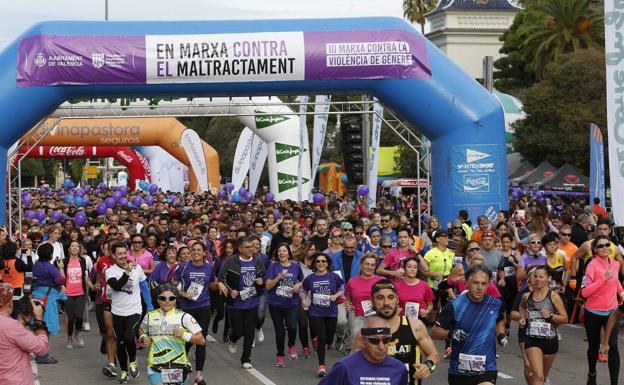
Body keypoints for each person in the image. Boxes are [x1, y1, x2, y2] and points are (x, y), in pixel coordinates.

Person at [352, 279, 440, 385]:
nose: (386, 303)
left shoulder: (415, 326)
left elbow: (434, 355)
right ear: (372, 301)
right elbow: (352, 366)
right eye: (380, 298)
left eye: (391, 297)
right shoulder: (364, 333)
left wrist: (428, 366)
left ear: (397, 299)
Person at [432, 264, 507, 385]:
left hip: (487, 368)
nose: (479, 287)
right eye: (475, 283)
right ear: (467, 283)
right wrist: (453, 333)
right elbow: (435, 332)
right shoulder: (455, 305)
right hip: (459, 370)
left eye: (484, 284)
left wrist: (501, 334)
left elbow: (499, 320)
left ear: (489, 284)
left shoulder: (495, 304)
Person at [106, 241, 154, 384]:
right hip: (117, 312)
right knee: (120, 343)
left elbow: (144, 287)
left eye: (124, 253)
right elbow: (116, 286)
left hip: (134, 310)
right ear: (113, 255)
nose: (122, 256)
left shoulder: (137, 268)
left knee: (128, 337)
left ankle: (132, 361)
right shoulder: (110, 271)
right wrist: (127, 272)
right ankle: (124, 371)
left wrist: (150, 307)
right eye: (119, 254)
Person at [139, 283, 206, 385]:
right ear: (158, 300)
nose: (167, 301)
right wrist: (143, 337)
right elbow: (141, 329)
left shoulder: (184, 317)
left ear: (175, 300)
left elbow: (201, 340)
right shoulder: (149, 316)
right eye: (163, 298)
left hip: (178, 366)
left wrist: (184, 335)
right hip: (156, 366)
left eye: (171, 298)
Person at [171, 240, 217, 385]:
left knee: (201, 340)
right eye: (194, 250)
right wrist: (183, 294)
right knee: (186, 339)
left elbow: (212, 284)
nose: (196, 252)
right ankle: (180, 366)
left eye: (199, 250)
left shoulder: (209, 267)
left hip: (203, 306)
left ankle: (199, 375)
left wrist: (219, 284)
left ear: (204, 253)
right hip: (186, 308)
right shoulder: (183, 267)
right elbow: (172, 285)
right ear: (190, 252)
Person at [580, 234, 624, 385]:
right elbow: (585, 292)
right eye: (600, 246)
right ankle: (592, 373)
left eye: (607, 245)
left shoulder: (616, 264)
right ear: (594, 250)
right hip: (593, 312)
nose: (605, 248)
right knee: (593, 348)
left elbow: (616, 281)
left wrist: (622, 292)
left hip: (612, 310)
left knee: (613, 347)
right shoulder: (592, 265)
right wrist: (602, 279)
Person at [217, 236, 266, 369]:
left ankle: (246, 358)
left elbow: (263, 277)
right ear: (240, 249)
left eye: (252, 247)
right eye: (247, 247)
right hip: (235, 304)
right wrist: (230, 290)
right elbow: (222, 278)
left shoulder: (257, 261)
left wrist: (261, 281)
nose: (251, 249)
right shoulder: (231, 261)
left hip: (252, 302)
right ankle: (232, 339)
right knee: (238, 330)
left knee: (249, 331)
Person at [319, 316, 409, 385]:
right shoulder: (344, 367)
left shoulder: (399, 368)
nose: (381, 347)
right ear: (362, 341)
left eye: (386, 340)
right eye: (374, 340)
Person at [518, 265, 568, 385]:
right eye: (535, 276)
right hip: (531, 339)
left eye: (541, 276)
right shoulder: (526, 296)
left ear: (549, 279)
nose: (538, 279)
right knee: (538, 375)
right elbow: (522, 306)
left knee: (542, 378)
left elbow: (565, 318)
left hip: (550, 340)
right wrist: (523, 317)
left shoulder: (554, 297)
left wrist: (551, 315)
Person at [302, 252, 344, 377]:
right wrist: (303, 299)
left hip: (331, 311)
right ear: (315, 264)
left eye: (323, 261)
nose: (321, 263)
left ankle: (323, 341)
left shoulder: (333, 276)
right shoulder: (310, 278)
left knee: (328, 340)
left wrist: (335, 296)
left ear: (327, 263)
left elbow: (342, 289)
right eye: (318, 261)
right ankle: (321, 366)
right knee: (322, 338)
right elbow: (303, 290)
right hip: (316, 312)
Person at [0, 283, 49, 385]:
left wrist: (21, 323)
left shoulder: (11, 326)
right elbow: (41, 348)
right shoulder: (11, 326)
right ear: (9, 303)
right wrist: (39, 319)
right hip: (15, 380)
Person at [264, 243, 303, 366]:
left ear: (288, 253)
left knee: (292, 326)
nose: (281, 253)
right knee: (280, 332)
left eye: (284, 251)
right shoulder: (273, 266)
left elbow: (304, 280)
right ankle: (280, 355)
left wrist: (299, 285)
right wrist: (279, 276)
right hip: (275, 304)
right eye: (279, 251)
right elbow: (268, 285)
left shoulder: (296, 266)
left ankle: (291, 344)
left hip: (291, 303)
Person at [31, 242, 66, 365]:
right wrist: (61, 268)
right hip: (48, 299)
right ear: (50, 254)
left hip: (35, 297)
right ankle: (43, 355)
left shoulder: (36, 265)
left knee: (38, 325)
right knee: (46, 327)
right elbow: (61, 280)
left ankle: (39, 353)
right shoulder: (50, 267)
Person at [345, 253, 384, 349]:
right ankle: (352, 353)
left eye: (372, 265)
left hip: (376, 317)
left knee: (374, 344)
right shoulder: (352, 281)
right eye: (367, 264)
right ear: (361, 265)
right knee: (356, 337)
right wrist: (348, 305)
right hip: (358, 316)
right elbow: (348, 298)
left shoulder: (382, 281)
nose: (369, 267)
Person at [63, 240, 95, 349]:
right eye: (72, 246)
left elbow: (85, 277)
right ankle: (69, 339)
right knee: (71, 318)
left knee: (80, 317)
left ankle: (76, 334)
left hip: (81, 292)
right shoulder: (64, 261)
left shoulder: (83, 261)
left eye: (77, 246)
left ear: (79, 249)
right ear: (69, 249)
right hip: (68, 293)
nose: (75, 248)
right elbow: (61, 277)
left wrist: (92, 286)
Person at [395, 256, 434, 321]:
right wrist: (396, 310)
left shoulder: (424, 285)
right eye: (409, 267)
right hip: (402, 319)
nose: (412, 269)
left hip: (420, 319)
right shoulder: (396, 285)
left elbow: (430, 305)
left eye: (415, 267)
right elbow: (393, 304)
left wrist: (426, 311)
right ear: (404, 269)